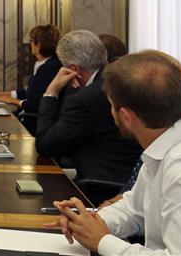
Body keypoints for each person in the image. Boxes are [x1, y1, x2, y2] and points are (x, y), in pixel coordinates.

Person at [46, 50, 181, 255]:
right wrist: (90, 222)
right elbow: (134, 209)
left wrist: (102, 242)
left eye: (111, 105)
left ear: (125, 116)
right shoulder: (164, 145)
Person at [34, 30, 141, 188]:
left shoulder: (88, 98)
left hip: (102, 184)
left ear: (74, 69)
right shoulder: (113, 81)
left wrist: (51, 92)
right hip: (128, 177)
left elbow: (45, 144)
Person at [0, 24, 62, 134]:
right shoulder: (43, 64)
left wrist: (13, 101)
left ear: (38, 45)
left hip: (33, 124)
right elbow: (28, 93)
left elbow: (36, 105)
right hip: (26, 118)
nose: (29, 44)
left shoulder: (49, 68)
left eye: (31, 41)